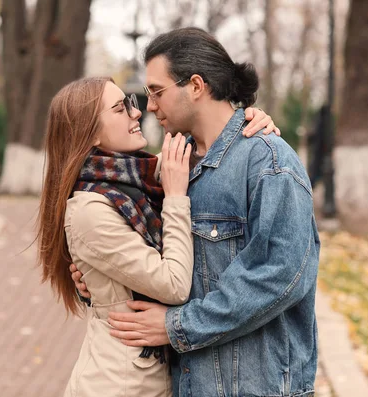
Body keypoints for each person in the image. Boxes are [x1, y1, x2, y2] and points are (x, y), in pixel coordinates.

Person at [72, 27, 320, 397]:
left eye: (157, 92)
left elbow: (281, 274)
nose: (148, 106)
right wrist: (99, 283)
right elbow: (153, 258)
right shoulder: (172, 167)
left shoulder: (267, 161)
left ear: (196, 86)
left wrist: (178, 326)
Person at [37, 76, 278, 396]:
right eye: (120, 108)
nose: (137, 113)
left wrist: (249, 120)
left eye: (130, 104)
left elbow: (210, 142)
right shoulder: (90, 210)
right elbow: (174, 284)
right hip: (121, 385)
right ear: (91, 133)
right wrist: (176, 198)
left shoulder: (139, 181)